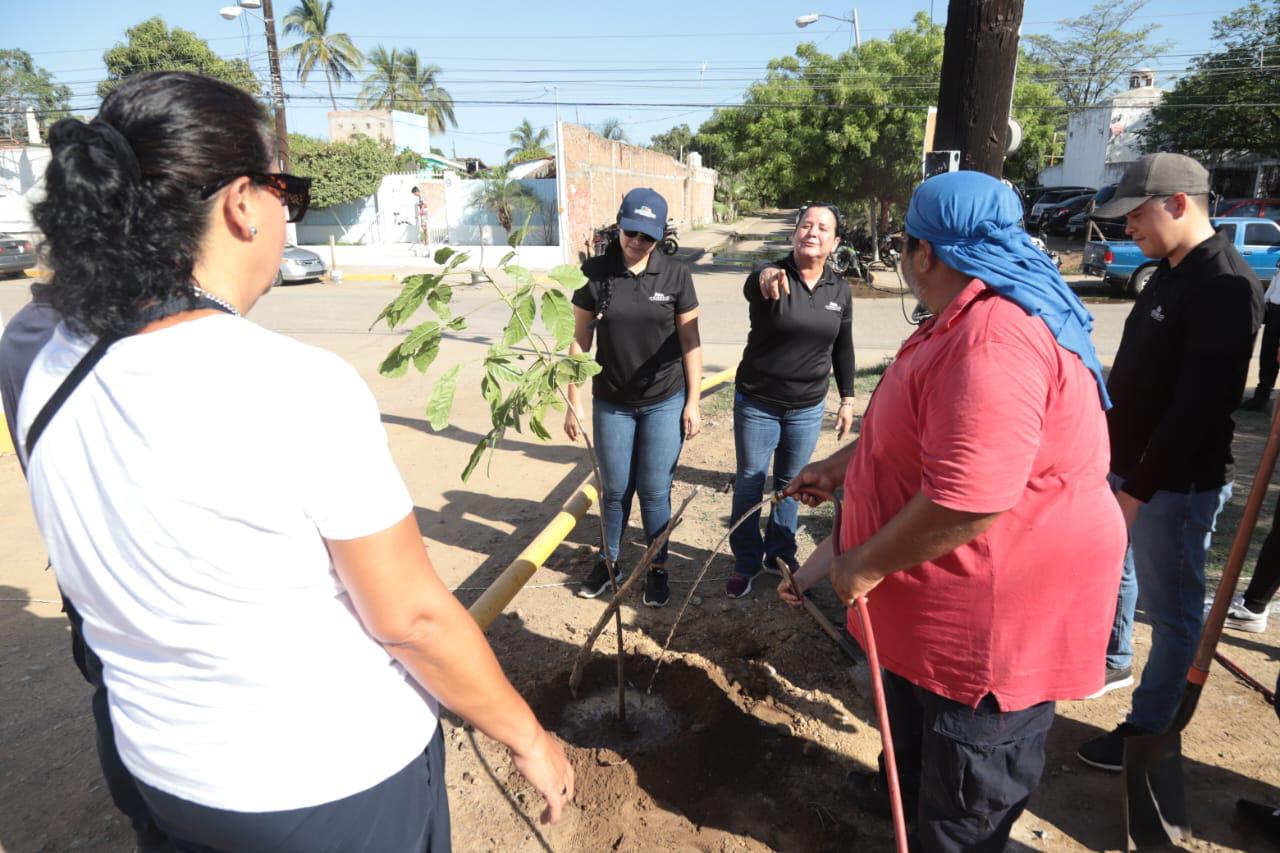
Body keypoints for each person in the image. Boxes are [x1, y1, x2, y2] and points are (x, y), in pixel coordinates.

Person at [16, 70, 572, 851]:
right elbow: (410, 619)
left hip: (163, 777)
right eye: (290, 191)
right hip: (328, 792)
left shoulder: (44, 361)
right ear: (242, 202)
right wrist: (530, 738)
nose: (290, 213)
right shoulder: (293, 386)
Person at [779, 171, 1124, 852]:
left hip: (990, 624)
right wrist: (842, 466)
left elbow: (970, 497)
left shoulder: (995, 335)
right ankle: (902, 792)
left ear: (924, 253)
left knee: (966, 802)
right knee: (916, 746)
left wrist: (862, 565)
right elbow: (920, 426)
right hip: (934, 606)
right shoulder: (961, 314)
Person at [1078, 153, 1263, 771]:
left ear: (1178, 203)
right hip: (1131, 469)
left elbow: (1196, 410)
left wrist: (1137, 493)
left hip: (1174, 486)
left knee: (1174, 609)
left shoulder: (1226, 285)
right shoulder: (1170, 269)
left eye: (1135, 216)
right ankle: (1114, 658)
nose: (1126, 229)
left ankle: (1150, 729)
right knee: (1121, 578)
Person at [2, 300, 176, 853]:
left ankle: (150, 822)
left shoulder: (27, 329)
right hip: (138, 560)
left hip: (82, 555)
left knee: (115, 683)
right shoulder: (99, 330)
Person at [564, 187, 702, 607]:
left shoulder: (676, 275)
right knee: (614, 490)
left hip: (664, 398)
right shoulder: (596, 271)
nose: (637, 242)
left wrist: (693, 401)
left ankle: (656, 567)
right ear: (618, 225)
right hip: (612, 400)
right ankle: (610, 562)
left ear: (660, 236)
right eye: (631, 232)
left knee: (655, 489)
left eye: (647, 236)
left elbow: (690, 340)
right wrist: (573, 401)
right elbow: (580, 340)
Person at [724, 203, 855, 598]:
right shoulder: (775, 276)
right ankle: (745, 562)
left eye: (822, 228)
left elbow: (843, 347)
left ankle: (780, 555)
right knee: (750, 481)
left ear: (835, 242)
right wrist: (762, 275)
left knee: (794, 484)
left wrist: (847, 399)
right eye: (805, 225)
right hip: (758, 402)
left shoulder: (840, 289)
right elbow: (754, 284)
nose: (812, 232)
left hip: (807, 406)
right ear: (794, 233)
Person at [1239, 257, 1280, 412]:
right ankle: (1261, 396)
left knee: (1274, 355)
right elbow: (1276, 282)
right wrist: (1264, 302)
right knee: (1267, 355)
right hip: (1274, 310)